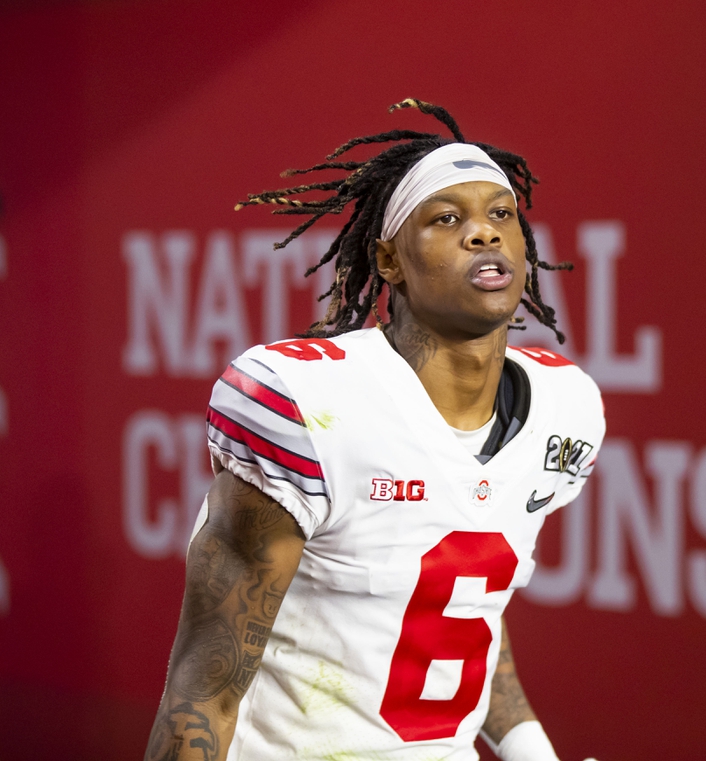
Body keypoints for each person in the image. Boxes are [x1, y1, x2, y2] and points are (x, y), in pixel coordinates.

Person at [144, 99, 605, 761]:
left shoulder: (566, 407)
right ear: (389, 260)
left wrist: (534, 750)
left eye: (501, 214)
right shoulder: (312, 407)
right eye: (447, 218)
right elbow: (200, 697)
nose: (484, 234)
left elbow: (462, 603)